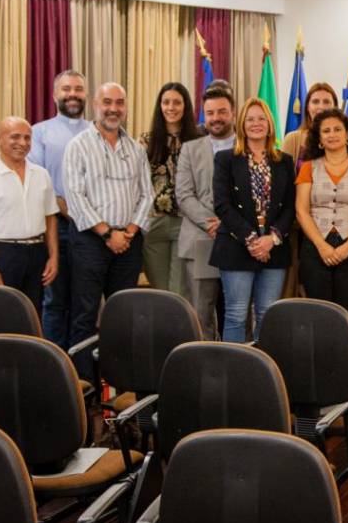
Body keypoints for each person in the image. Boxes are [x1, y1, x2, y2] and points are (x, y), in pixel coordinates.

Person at [62, 82, 154, 377]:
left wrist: (128, 231)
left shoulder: (136, 149)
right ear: (95, 104)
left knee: (123, 316)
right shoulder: (78, 146)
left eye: (119, 103)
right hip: (90, 242)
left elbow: (147, 194)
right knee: (85, 315)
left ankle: (120, 383)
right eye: (107, 102)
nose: (114, 108)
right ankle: (85, 385)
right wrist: (106, 233)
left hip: (128, 242)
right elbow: (75, 197)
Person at [212, 97, 296, 343]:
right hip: (236, 247)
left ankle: (262, 375)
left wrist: (272, 239)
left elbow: (290, 206)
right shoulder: (226, 159)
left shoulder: (284, 161)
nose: (256, 124)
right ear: (241, 124)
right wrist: (251, 240)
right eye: (250, 119)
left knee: (267, 314)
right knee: (236, 314)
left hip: (274, 249)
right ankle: (234, 374)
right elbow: (222, 205)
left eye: (261, 119)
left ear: (270, 125)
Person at [0, 116, 59, 314]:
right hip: (3, 254)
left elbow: (50, 218)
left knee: (33, 314)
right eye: (15, 137)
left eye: (27, 138)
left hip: (37, 253)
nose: (23, 143)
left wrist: (53, 256)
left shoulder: (41, 174)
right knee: (3, 314)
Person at [295, 109, 348, 321]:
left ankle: (345, 355)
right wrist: (322, 246)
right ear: (319, 138)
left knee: (346, 313)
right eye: (326, 131)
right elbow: (302, 211)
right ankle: (318, 356)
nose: (332, 134)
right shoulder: (308, 168)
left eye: (337, 129)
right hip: (315, 248)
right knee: (318, 313)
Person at [28, 69, 90, 347]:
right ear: (55, 95)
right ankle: (55, 367)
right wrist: (74, 213)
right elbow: (41, 184)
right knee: (54, 301)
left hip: (93, 229)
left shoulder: (97, 131)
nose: (72, 94)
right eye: (66, 89)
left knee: (85, 304)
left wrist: (90, 218)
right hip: (56, 227)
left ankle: (82, 372)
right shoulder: (39, 133)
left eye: (78, 89)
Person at [175, 82, 235, 339]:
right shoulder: (190, 149)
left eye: (222, 111)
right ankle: (206, 371)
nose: (216, 118)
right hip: (202, 239)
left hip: (239, 240)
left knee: (238, 311)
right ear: (203, 114)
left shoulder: (247, 145)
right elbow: (184, 195)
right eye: (210, 113)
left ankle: (243, 367)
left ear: (233, 112)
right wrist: (213, 224)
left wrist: (232, 227)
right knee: (201, 314)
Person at [139, 82, 202, 297]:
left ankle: (180, 331)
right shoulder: (145, 141)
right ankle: (164, 331)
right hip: (153, 224)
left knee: (179, 290)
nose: (171, 107)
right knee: (160, 291)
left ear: (186, 107)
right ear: (160, 106)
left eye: (177, 102)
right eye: (166, 102)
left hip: (186, 223)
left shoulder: (199, 141)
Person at [281, 82, 339, 165]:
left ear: (335, 107)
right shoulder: (292, 139)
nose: (321, 107)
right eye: (315, 102)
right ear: (308, 107)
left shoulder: (344, 140)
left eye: (326, 102)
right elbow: (282, 176)